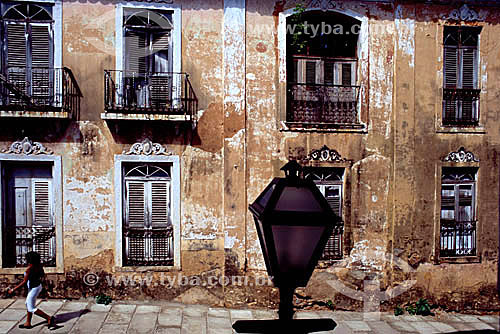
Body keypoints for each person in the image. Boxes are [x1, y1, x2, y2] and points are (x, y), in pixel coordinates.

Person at [7, 252, 55, 329]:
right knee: (28, 303)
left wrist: (13, 289)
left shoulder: (29, 269)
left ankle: (49, 318)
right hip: (37, 286)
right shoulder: (39, 266)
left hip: (33, 289)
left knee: (31, 308)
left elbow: (24, 282)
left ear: (30, 260)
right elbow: (42, 276)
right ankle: (28, 323)